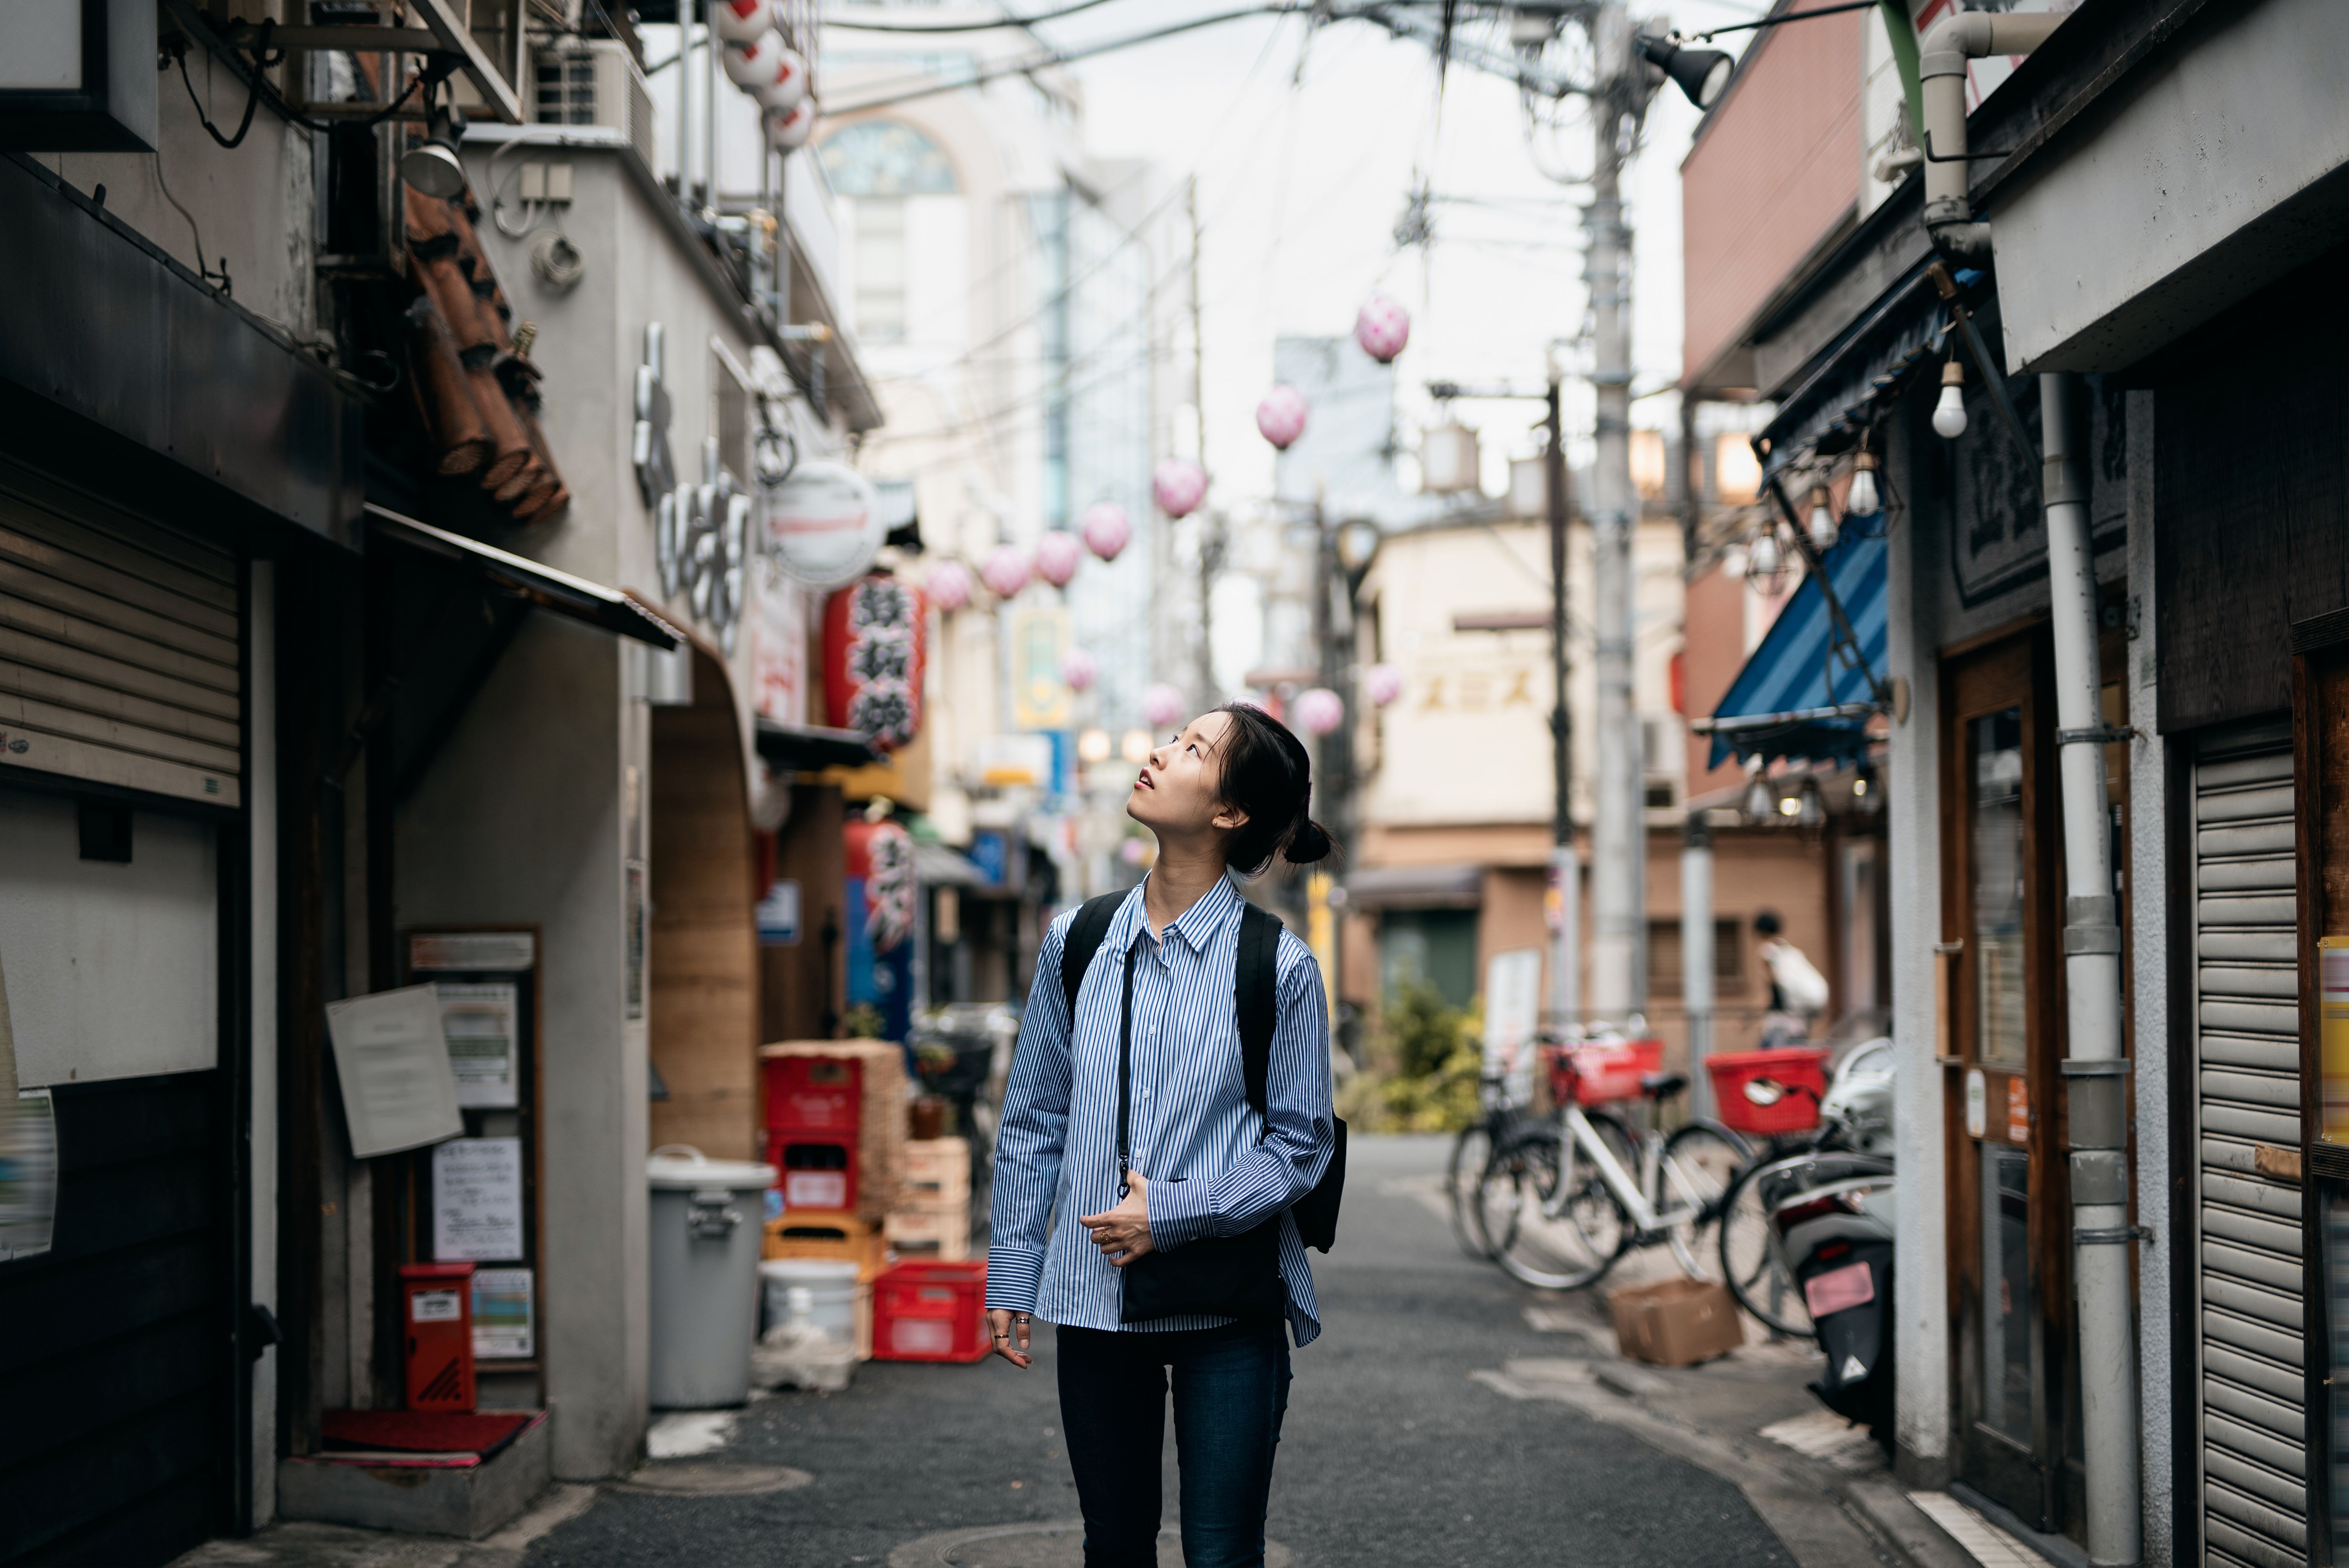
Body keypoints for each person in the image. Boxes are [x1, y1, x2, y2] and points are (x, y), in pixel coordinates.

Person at [986, 703, 1338, 1568]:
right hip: (1095, 1298)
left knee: (1220, 1552)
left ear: (1229, 814)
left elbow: (1300, 1146)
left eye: (1192, 750)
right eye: (1174, 738)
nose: (1158, 752)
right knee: (1113, 1545)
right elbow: (1033, 1117)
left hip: (1227, 1302)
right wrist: (1011, 1271)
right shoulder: (1078, 940)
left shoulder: (1278, 966)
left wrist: (1172, 1213)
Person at [1754, 909, 1829, 1045]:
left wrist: (1749, 1015)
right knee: (1796, 1052)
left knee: (1768, 1054)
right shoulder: (1790, 951)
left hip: (1782, 1018)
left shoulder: (1768, 952)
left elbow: (1773, 988)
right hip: (1799, 1016)